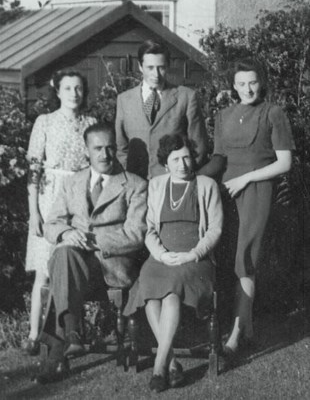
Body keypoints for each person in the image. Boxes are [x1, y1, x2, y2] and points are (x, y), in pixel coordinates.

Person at [34, 123, 147, 384]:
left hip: (111, 266)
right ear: (87, 151)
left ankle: (62, 346)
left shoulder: (135, 185)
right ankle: (71, 335)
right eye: (98, 148)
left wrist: (90, 239)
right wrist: (65, 234)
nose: (105, 154)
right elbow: (52, 225)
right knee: (64, 253)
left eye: (110, 148)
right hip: (73, 263)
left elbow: (135, 235)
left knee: (63, 260)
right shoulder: (72, 182)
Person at [124, 133, 223, 392]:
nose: (183, 164)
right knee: (149, 287)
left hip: (195, 259)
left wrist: (192, 254)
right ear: (166, 164)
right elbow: (149, 229)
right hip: (162, 256)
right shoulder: (156, 185)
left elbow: (215, 231)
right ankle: (172, 363)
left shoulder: (206, 185)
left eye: (187, 157)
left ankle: (159, 366)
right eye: (176, 159)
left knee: (171, 293)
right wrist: (160, 254)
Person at [211, 58, 295, 355]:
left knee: (245, 257)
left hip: (257, 190)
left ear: (262, 81)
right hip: (225, 191)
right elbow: (219, 158)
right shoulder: (224, 115)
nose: (248, 89)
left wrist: (246, 179)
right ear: (233, 86)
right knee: (231, 256)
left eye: (253, 82)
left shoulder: (273, 113)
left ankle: (235, 334)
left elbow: (284, 163)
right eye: (242, 83)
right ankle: (246, 328)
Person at [24, 69, 97, 355]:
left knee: (65, 267)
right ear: (58, 91)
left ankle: (64, 334)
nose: (74, 94)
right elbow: (33, 170)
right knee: (43, 271)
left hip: (78, 197)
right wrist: (34, 213)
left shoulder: (90, 123)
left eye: (78, 89)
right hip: (49, 196)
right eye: (68, 89)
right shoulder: (45, 122)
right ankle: (33, 334)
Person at [115, 39, 208, 179]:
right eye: (150, 68)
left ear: (168, 66)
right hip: (135, 183)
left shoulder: (186, 97)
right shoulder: (124, 100)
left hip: (172, 182)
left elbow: (198, 146)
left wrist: (181, 177)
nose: (156, 74)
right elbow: (120, 148)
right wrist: (129, 178)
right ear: (140, 66)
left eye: (161, 67)